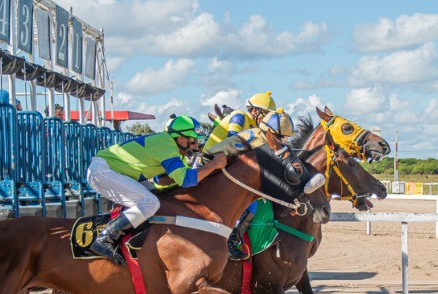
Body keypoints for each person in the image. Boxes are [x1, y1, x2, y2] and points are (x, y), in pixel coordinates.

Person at [86, 114, 227, 263]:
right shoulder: (167, 145)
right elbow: (186, 180)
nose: (196, 146)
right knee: (150, 203)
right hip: (103, 172)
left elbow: (162, 181)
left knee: (156, 199)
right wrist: (213, 165)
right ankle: (105, 238)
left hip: (115, 172)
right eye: (192, 141)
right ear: (180, 138)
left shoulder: (176, 151)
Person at [206, 108, 295, 260]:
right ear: (270, 132)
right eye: (281, 137)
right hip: (212, 171)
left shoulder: (261, 137)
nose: (282, 142)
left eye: (285, 139)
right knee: (251, 206)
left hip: (222, 170)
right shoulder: (259, 142)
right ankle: (231, 242)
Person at [203, 91, 277, 151]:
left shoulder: (255, 125)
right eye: (266, 114)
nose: (268, 118)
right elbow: (232, 141)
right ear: (255, 111)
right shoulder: (239, 117)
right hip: (210, 157)